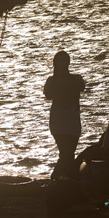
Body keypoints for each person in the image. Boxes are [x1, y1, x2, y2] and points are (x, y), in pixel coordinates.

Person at [44, 51, 86, 180]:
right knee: (65, 153)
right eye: (60, 61)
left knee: (69, 153)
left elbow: (82, 86)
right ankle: (56, 177)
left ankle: (65, 179)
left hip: (73, 121)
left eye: (65, 61)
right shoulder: (51, 81)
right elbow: (48, 94)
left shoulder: (76, 79)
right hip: (58, 122)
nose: (63, 64)